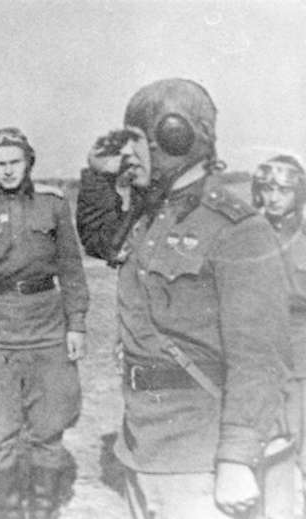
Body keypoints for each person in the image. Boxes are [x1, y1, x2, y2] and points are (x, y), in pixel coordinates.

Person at [76, 78, 293, 518]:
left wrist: (236, 457)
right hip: (143, 443)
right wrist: (98, 175)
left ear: (175, 138)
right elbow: (100, 240)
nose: (126, 153)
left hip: (201, 453)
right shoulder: (148, 216)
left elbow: (259, 356)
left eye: (135, 140)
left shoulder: (238, 229)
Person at [0, 127, 89, 519]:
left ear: (28, 161)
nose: (8, 170)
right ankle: (8, 511)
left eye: (15, 162)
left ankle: (45, 509)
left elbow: (71, 269)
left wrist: (76, 324)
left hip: (47, 326)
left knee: (49, 426)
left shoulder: (53, 204)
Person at [251, 154, 306, 517]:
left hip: (302, 352)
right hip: (262, 354)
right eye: (267, 189)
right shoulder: (249, 234)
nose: (273, 198)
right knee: (272, 447)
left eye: (283, 191)